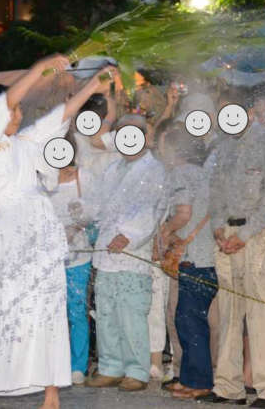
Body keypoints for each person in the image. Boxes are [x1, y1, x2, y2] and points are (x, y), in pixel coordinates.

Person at [0, 56, 114, 409]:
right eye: (13, 109)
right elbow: (3, 104)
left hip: (39, 229)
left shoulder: (25, 142)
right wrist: (40, 70)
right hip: (7, 230)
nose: (18, 113)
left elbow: (63, 115)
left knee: (44, 305)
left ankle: (50, 395)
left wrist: (94, 86)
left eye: (19, 109)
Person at [199, 84, 265, 407]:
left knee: (264, 311)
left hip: (258, 237)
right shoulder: (223, 147)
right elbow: (216, 194)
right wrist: (219, 230)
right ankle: (228, 385)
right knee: (229, 313)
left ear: (250, 112)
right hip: (227, 237)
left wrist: (245, 233)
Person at [84, 114, 167, 392]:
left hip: (132, 255)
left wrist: (128, 234)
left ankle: (136, 370)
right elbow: (96, 204)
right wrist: (82, 214)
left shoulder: (155, 170)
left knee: (132, 315)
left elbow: (151, 208)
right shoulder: (111, 169)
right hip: (105, 254)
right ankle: (110, 366)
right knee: (106, 313)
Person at [156, 124, 216, 400]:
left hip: (195, 259)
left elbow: (183, 212)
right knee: (190, 320)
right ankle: (192, 379)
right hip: (207, 257)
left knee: (190, 322)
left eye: (165, 145)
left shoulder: (181, 173)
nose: (162, 151)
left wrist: (165, 231)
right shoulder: (202, 173)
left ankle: (200, 382)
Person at [47, 132, 95, 386]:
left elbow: (96, 210)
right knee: (52, 313)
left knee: (77, 311)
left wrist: (77, 225)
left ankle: (78, 365)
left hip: (79, 256)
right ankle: (54, 363)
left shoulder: (84, 178)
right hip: (50, 258)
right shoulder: (45, 181)